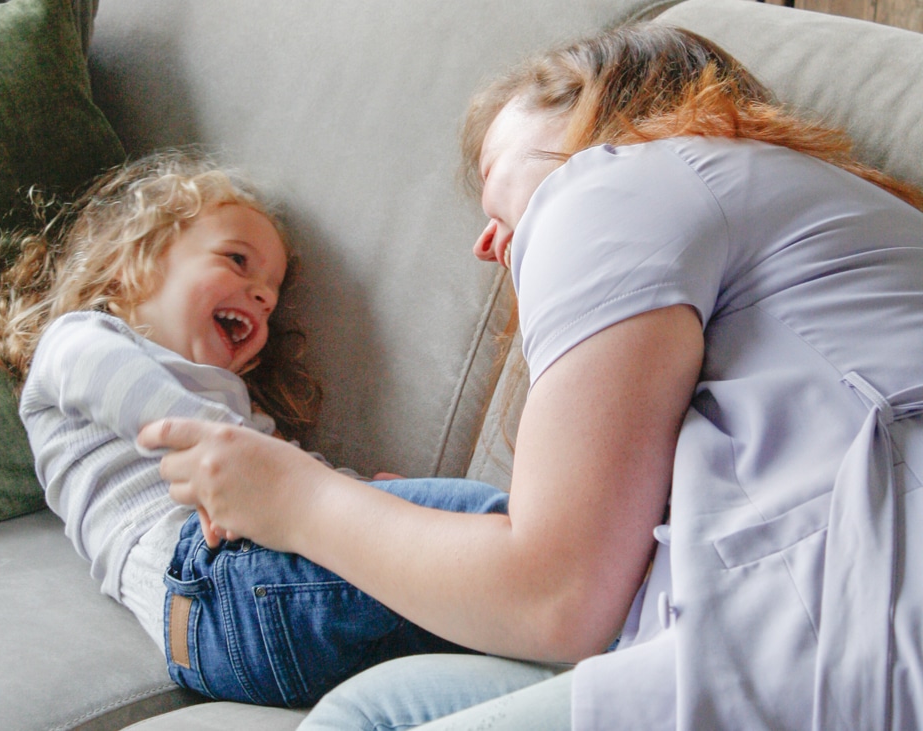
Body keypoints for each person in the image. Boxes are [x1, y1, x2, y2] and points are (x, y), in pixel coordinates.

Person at [137, 21, 923, 730]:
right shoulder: (830, 220)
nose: (487, 244)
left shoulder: (619, 179)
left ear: (593, 115)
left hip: (852, 630)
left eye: (495, 176)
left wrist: (290, 497)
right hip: (831, 612)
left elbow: (558, 594)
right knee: (372, 706)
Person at [0, 150, 510, 709]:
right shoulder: (77, 339)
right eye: (237, 261)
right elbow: (161, 413)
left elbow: (296, 479)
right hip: (211, 587)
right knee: (488, 526)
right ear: (133, 265)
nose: (263, 296)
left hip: (231, 627)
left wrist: (369, 498)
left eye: (271, 295)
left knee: (480, 618)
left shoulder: (233, 409)